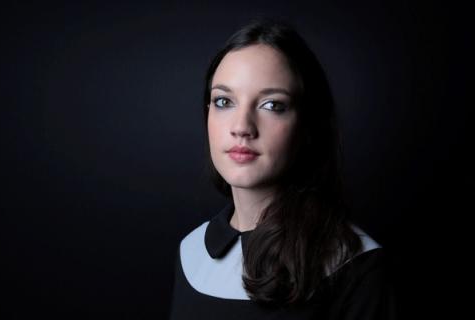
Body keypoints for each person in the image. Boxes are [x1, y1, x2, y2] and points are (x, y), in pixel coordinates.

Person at [168, 17, 398, 320]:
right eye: (224, 101)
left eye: (272, 105)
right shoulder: (192, 252)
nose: (241, 127)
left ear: (308, 126)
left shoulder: (356, 267)